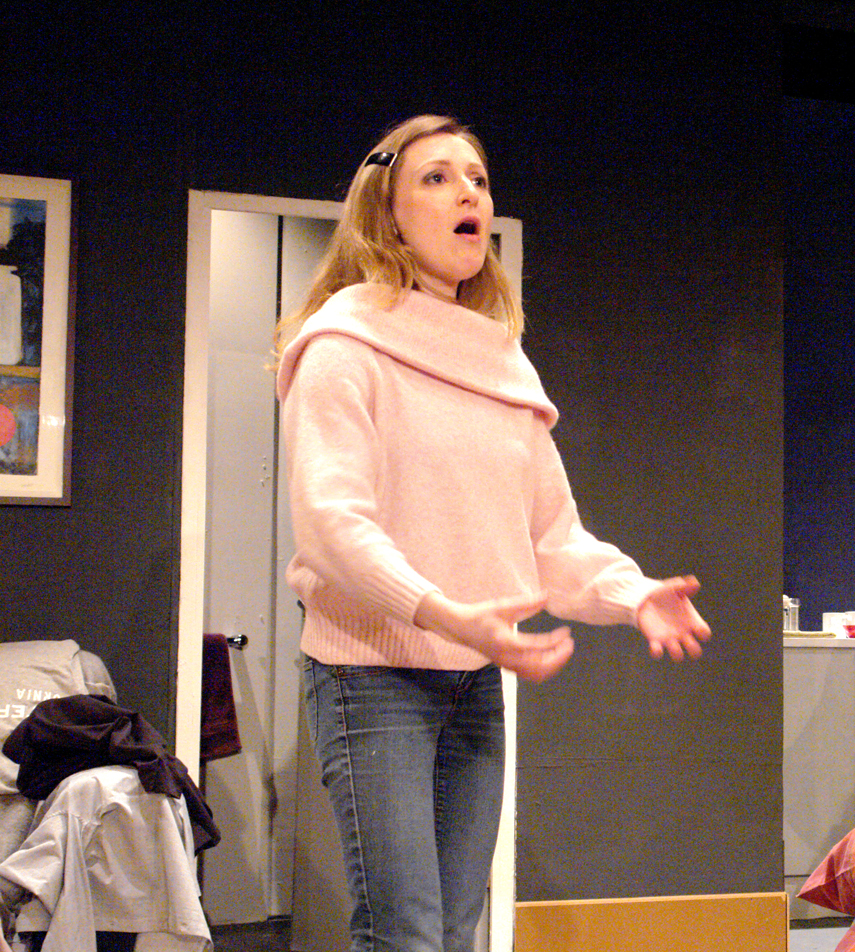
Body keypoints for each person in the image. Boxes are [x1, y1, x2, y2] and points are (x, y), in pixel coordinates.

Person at [272, 114, 711, 952]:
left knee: (454, 928)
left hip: (473, 681)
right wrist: (443, 613)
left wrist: (632, 594)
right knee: (404, 933)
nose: (467, 193)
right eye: (437, 177)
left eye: (477, 178)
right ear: (387, 212)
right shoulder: (342, 344)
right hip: (370, 676)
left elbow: (553, 539)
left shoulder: (502, 363)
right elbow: (331, 523)